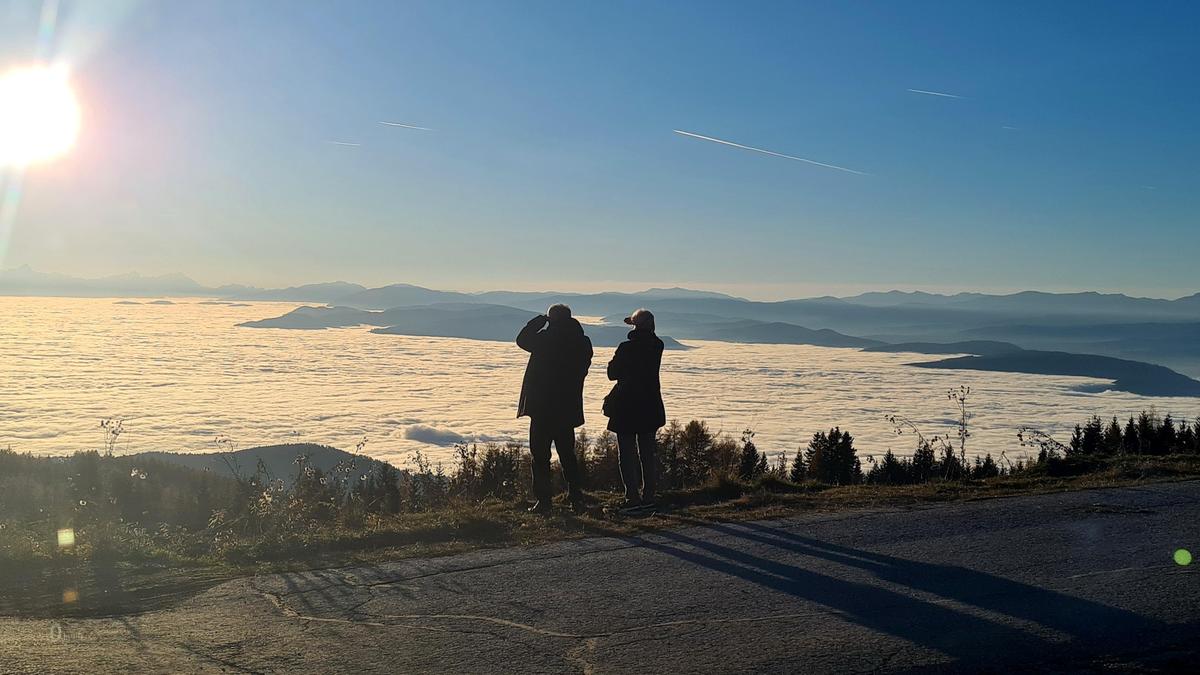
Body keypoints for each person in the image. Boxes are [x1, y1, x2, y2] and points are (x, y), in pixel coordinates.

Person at [516, 303, 593, 514]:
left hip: (542, 409)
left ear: (553, 320)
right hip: (567, 409)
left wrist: (539, 321)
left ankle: (544, 502)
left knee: (540, 457)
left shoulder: (545, 340)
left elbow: (522, 339)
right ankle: (577, 500)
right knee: (568, 456)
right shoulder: (583, 342)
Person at [603, 308, 666, 509]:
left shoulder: (625, 348)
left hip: (626, 406)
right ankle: (649, 495)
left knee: (627, 454)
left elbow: (612, 373)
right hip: (650, 404)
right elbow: (649, 338)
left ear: (634, 326)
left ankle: (632, 497)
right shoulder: (657, 346)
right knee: (647, 453)